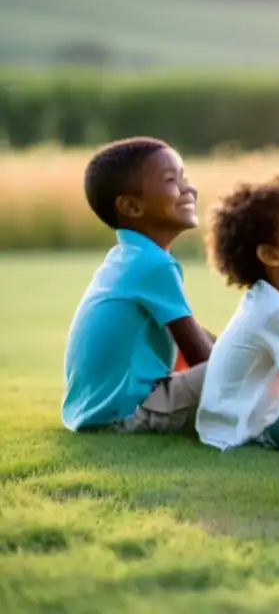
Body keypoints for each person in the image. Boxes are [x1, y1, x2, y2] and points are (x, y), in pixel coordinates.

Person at [62, 137, 215, 435]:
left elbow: (191, 330)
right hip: (127, 414)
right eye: (172, 180)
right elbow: (203, 357)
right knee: (242, 368)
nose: (188, 188)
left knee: (246, 358)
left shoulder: (131, 256)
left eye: (185, 177)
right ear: (131, 206)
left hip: (103, 411)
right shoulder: (152, 265)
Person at [195, 176, 279, 452]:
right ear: (270, 255)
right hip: (243, 428)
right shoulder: (273, 311)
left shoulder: (275, 299)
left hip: (255, 415)